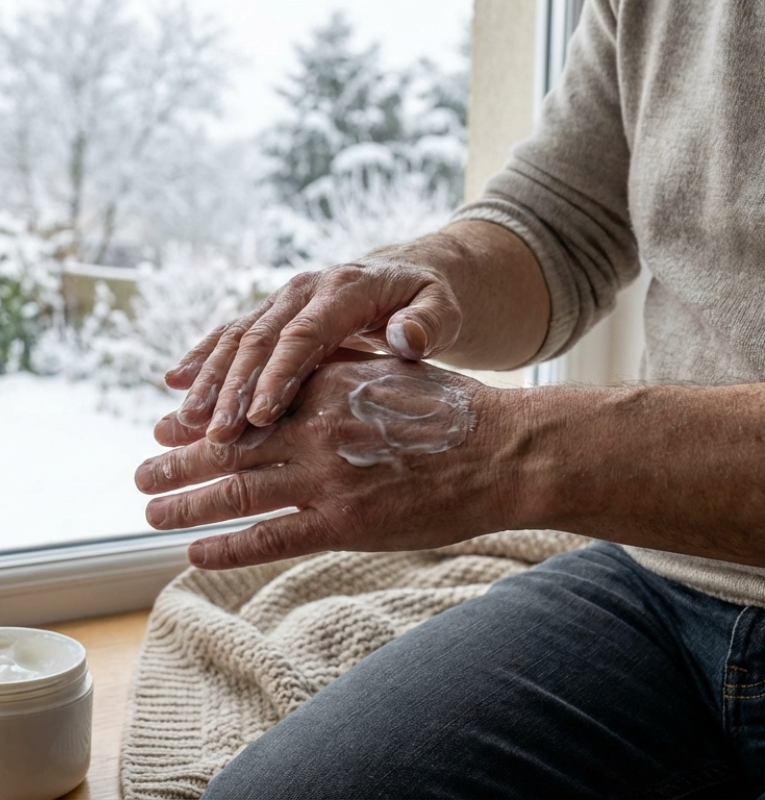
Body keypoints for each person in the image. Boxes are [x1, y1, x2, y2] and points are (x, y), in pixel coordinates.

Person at [134, 1, 765, 796]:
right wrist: (425, 276)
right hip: (662, 582)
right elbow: (561, 223)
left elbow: (505, 451)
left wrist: (500, 453)